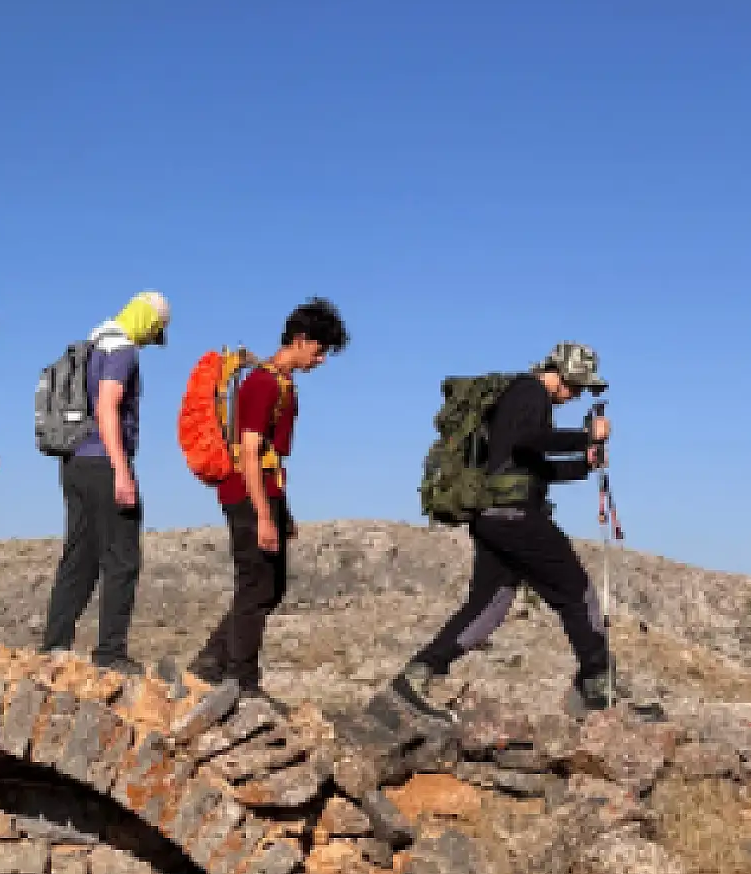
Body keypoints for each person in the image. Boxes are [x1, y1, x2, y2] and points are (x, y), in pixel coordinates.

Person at [392, 342, 614, 718]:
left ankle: (417, 675)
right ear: (562, 374)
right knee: (577, 593)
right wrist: (586, 435)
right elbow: (530, 440)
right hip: (516, 518)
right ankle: (597, 689)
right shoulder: (531, 393)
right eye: (577, 386)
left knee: (489, 606)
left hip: (492, 517)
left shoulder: (514, 398)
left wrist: (584, 464)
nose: (576, 395)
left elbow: (529, 465)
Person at [188, 298, 349, 699]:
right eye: (319, 350)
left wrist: (282, 512)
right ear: (300, 339)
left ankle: (212, 661)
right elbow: (249, 452)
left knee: (270, 587)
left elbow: (270, 458)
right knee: (255, 586)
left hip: (265, 492)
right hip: (246, 492)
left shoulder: (280, 384)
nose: (320, 360)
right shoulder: (262, 384)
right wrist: (263, 515)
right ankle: (241, 679)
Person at [41, 291, 171, 675]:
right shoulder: (122, 350)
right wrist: (121, 470)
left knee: (79, 558)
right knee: (122, 558)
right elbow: (107, 406)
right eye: (155, 332)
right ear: (148, 322)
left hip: (74, 463)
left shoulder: (91, 347)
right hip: (103, 463)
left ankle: (54, 647)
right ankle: (111, 653)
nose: (151, 341)